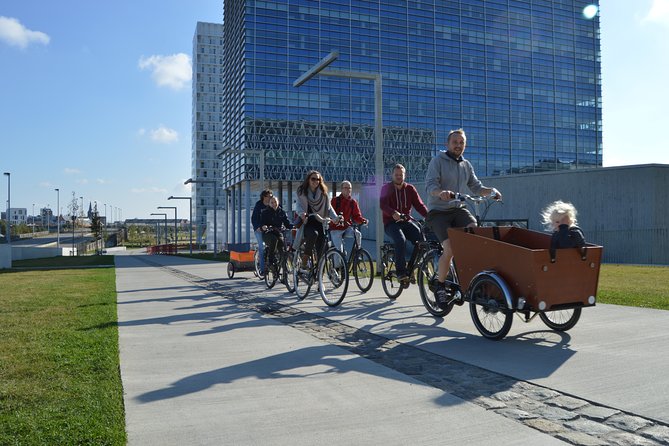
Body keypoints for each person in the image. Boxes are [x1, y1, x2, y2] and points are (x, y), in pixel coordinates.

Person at [425, 128, 502, 307]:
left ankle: (471, 279)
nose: (458, 145)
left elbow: (476, 186)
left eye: (461, 143)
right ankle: (440, 286)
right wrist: (440, 192)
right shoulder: (438, 161)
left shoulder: (466, 165)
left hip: (458, 208)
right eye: (455, 142)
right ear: (447, 144)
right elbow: (430, 185)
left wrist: (491, 192)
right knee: (450, 249)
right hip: (438, 211)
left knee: (475, 234)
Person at [380, 163, 429, 287]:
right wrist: (393, 213)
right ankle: (401, 271)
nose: (398, 177)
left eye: (400, 175)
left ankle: (413, 268)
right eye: (396, 175)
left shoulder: (410, 189)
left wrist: (430, 216)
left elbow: (419, 205)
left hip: (406, 222)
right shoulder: (386, 188)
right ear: (392, 175)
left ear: (404, 175)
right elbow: (383, 205)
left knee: (421, 238)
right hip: (391, 223)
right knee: (400, 240)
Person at [295, 170, 340, 265]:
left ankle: (319, 270)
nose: (316, 181)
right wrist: (301, 213)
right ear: (308, 180)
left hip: (321, 221)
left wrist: (335, 217)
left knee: (322, 247)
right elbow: (298, 205)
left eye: (318, 179)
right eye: (313, 179)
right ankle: (306, 257)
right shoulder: (302, 192)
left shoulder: (324, 193)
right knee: (313, 234)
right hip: (308, 221)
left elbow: (329, 208)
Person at [329, 180, 367, 255]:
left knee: (358, 234)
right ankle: (338, 266)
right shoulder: (335, 200)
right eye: (346, 188)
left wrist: (362, 221)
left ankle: (357, 253)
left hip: (346, 227)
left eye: (350, 188)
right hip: (335, 228)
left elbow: (356, 216)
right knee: (339, 250)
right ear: (341, 189)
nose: (348, 190)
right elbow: (330, 213)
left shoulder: (353, 202)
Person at [260, 196, 293, 268]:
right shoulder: (265, 212)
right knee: (273, 240)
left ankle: (283, 269)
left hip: (278, 233)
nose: (274, 204)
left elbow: (287, 223)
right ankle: (270, 259)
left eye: (275, 202)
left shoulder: (282, 212)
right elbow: (262, 223)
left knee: (282, 248)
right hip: (268, 233)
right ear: (269, 204)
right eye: (272, 202)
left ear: (278, 202)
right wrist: (264, 226)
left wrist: (294, 226)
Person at [251, 189, 273, 277]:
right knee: (262, 246)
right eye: (268, 196)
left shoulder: (273, 203)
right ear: (264, 197)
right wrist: (257, 227)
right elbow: (254, 218)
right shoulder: (259, 205)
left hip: (270, 228)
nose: (270, 198)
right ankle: (262, 269)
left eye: (271, 196)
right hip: (259, 229)